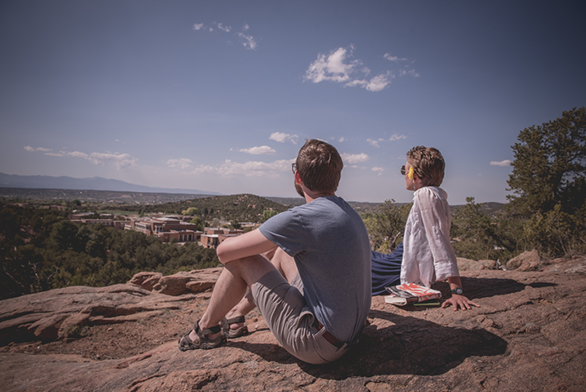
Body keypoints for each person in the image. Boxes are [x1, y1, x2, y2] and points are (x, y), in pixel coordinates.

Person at [178, 139, 372, 365]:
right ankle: (236, 316)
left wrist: (246, 236)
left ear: (298, 177)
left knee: (243, 260)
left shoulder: (301, 218)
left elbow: (223, 253)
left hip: (320, 343)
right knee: (282, 251)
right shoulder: (348, 211)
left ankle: (206, 330)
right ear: (336, 177)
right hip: (349, 333)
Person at [371, 146, 479, 311]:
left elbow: (440, 242)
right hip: (399, 260)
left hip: (398, 266)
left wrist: (456, 291)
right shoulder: (436, 195)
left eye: (404, 170)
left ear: (413, 174)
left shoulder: (426, 196)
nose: (403, 175)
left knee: (354, 261)